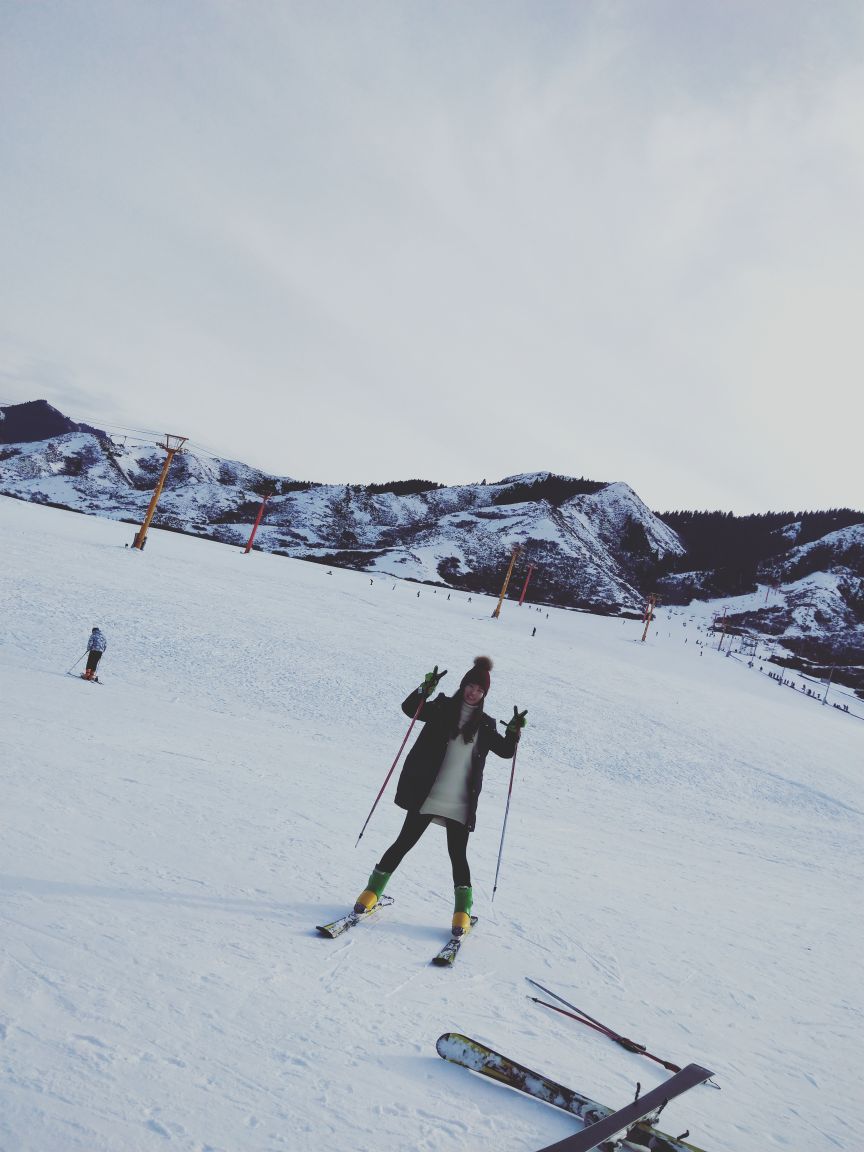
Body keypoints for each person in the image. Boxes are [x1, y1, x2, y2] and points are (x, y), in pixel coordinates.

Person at [354, 656, 526, 936]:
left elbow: (506, 752)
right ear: (463, 685)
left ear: (484, 695)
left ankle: (462, 914)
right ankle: (369, 894)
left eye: (479, 690)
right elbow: (411, 709)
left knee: (458, 856)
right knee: (403, 843)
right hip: (429, 794)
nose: (473, 692)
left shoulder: (485, 724)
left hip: (459, 801)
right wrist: (424, 690)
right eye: (470, 686)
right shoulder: (443, 707)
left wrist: (513, 733)